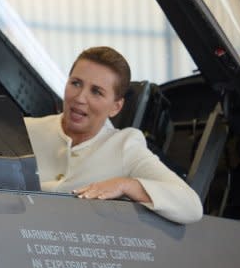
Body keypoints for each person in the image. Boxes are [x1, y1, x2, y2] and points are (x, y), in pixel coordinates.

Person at [24, 46, 202, 224]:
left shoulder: (124, 146)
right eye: (76, 83)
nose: (80, 98)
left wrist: (125, 185)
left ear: (116, 107)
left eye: (96, 92)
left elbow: (191, 206)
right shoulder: (23, 130)